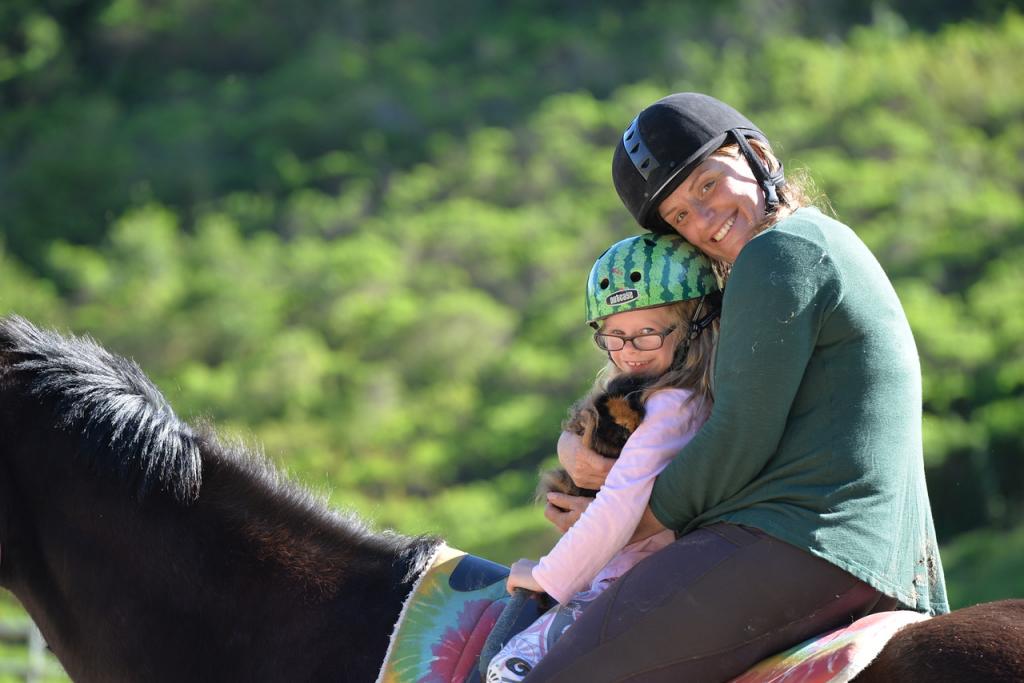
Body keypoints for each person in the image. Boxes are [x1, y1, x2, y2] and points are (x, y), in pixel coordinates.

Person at [524, 92, 949, 683]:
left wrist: (620, 528)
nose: (704, 220)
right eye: (679, 216)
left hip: (804, 539)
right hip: (853, 545)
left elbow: (737, 435)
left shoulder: (779, 251)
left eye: (707, 185)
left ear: (757, 155)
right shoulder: (815, 241)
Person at [487, 233, 722, 683]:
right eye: (614, 336)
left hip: (640, 577)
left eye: (646, 334)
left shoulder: (671, 406)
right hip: (632, 568)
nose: (627, 351)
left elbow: (620, 501)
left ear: (695, 328)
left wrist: (547, 575)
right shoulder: (664, 396)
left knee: (511, 669)